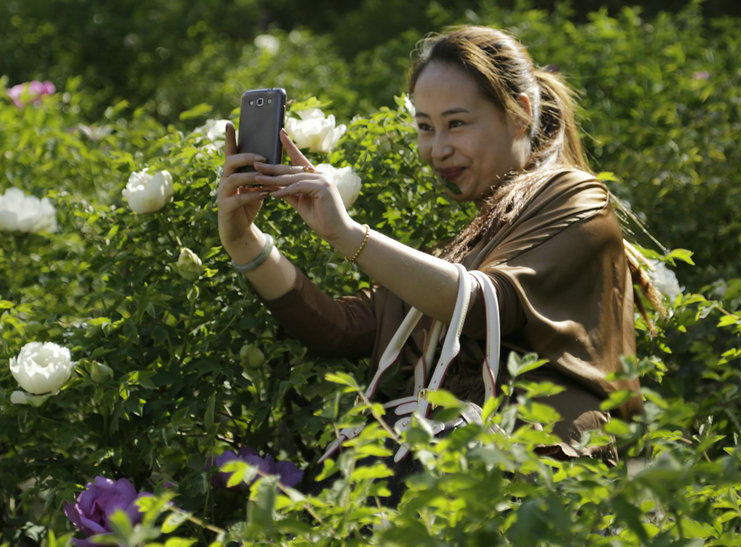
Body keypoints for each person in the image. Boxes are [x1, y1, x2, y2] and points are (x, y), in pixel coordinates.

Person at [217, 26, 647, 465]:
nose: (437, 149)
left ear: (519, 114)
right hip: (467, 471)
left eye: (456, 124)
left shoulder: (575, 196)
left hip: (551, 470)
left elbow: (481, 304)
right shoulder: (466, 243)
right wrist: (243, 242)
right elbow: (341, 327)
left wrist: (346, 233)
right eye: (425, 127)